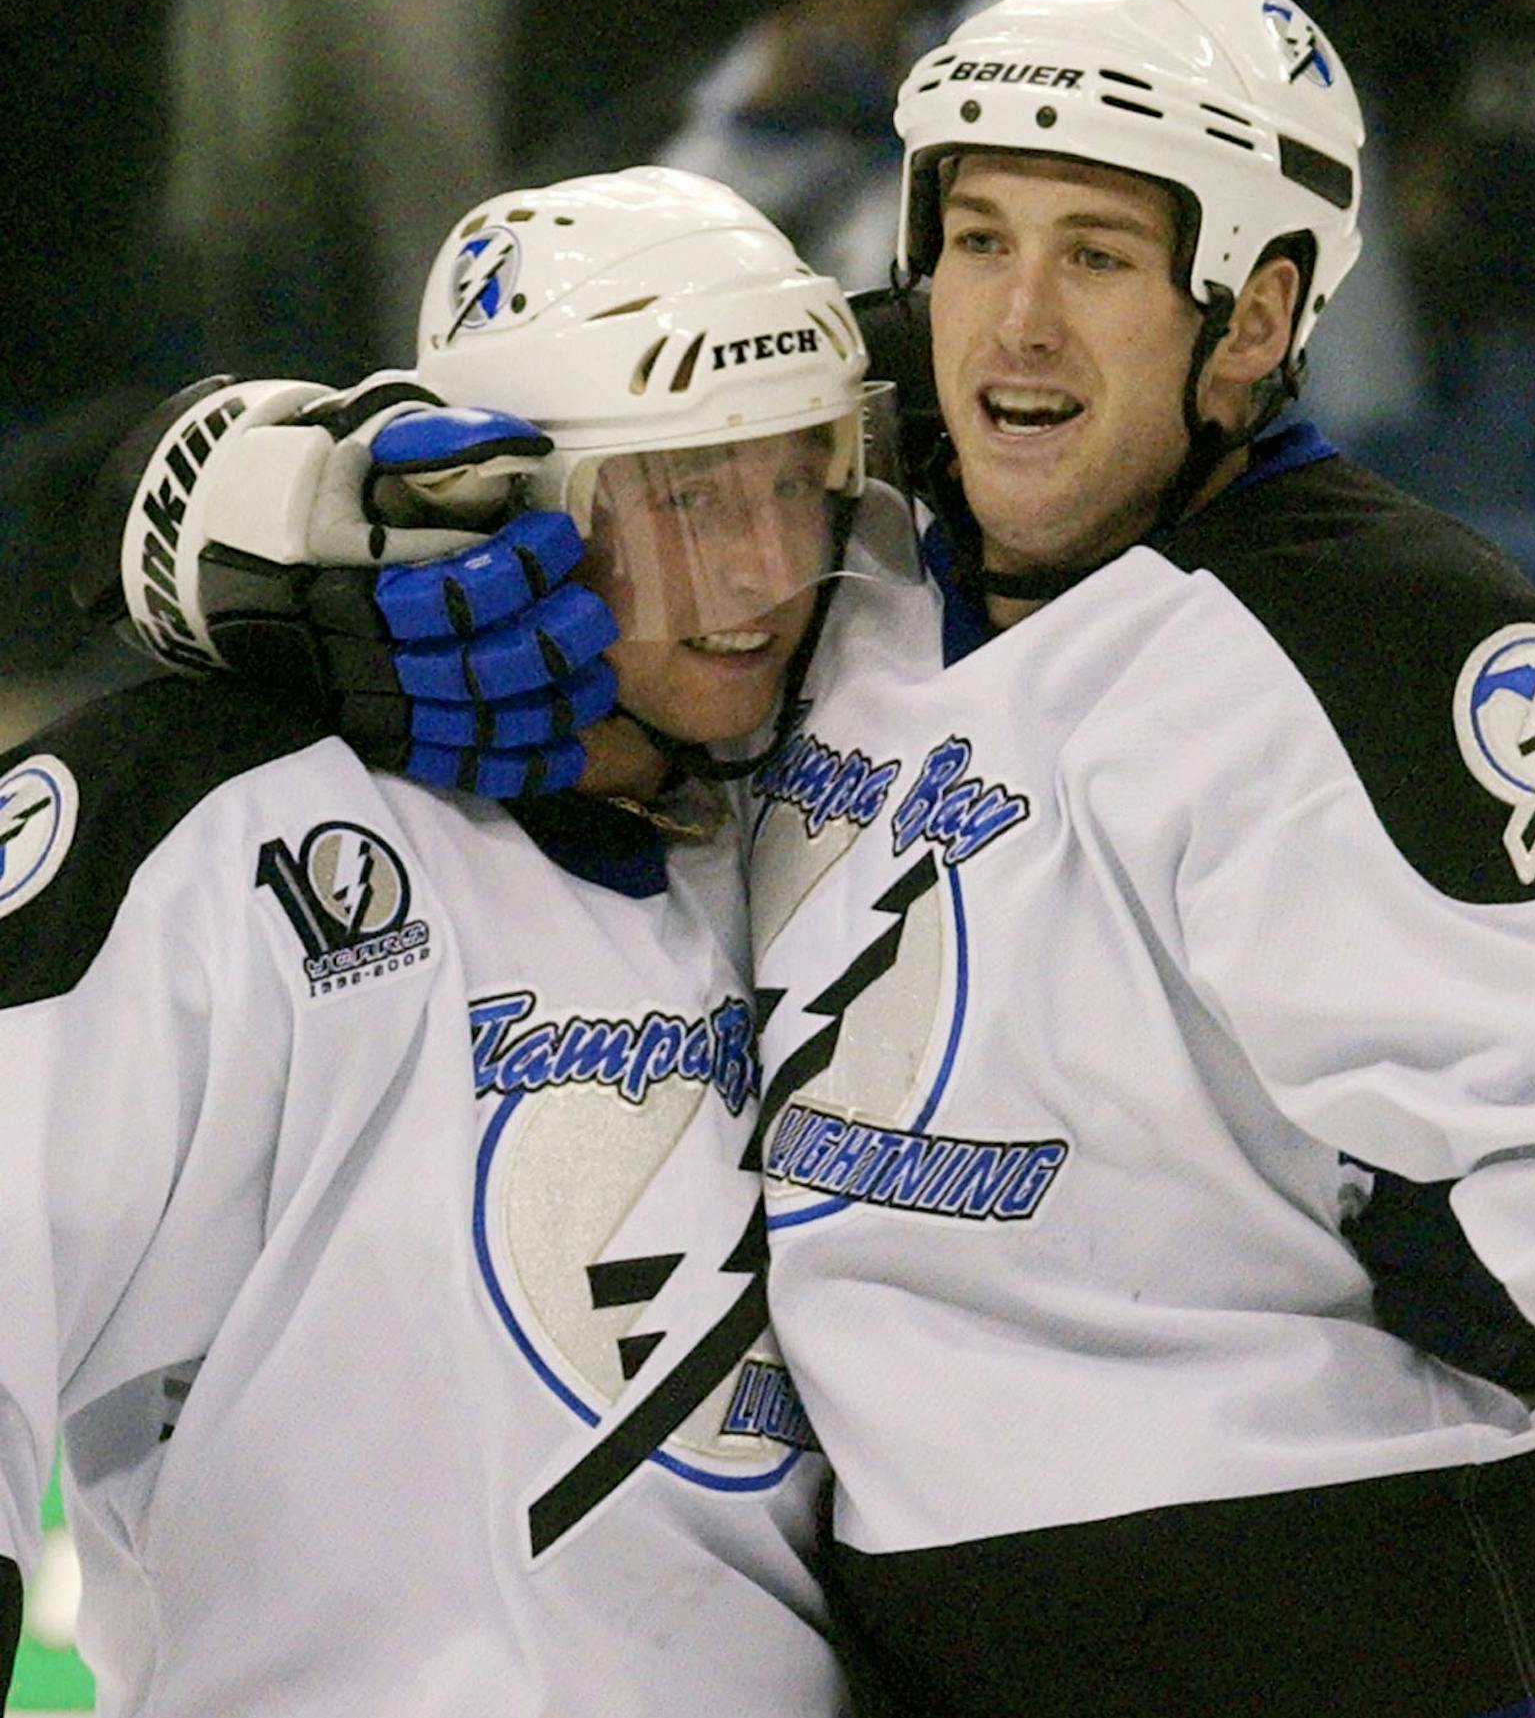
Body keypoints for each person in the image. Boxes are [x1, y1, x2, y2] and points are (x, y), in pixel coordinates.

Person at [92, 0, 1535, 1718]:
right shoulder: (842, 517)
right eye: (976, 237)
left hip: (1380, 1621)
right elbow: (523, 423)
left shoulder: (1367, 638)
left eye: (1102, 255)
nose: (1013, 312)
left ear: (1256, 314)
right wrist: (234, 510)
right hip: (951, 1647)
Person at [0, 166, 877, 1714]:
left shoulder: (842, 816)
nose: (755, 574)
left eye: (794, 485)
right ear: (497, 499)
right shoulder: (224, 831)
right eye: (680, 497)